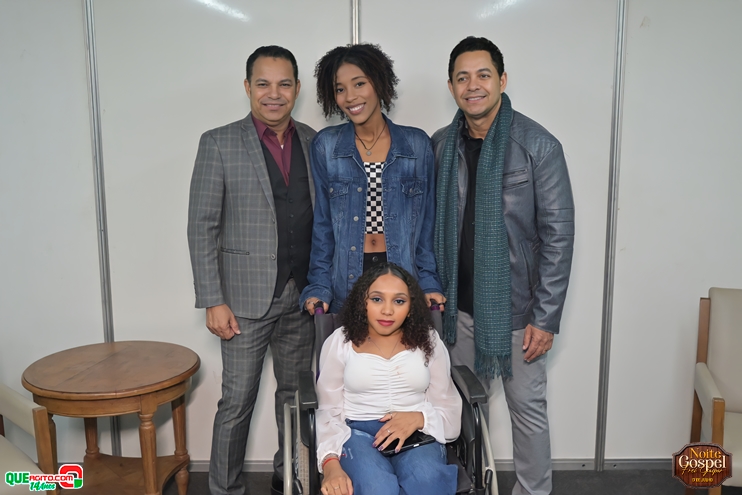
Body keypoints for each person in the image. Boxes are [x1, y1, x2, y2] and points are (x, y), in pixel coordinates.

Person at [432, 37, 575, 495]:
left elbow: (558, 237)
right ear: (451, 87)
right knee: (458, 411)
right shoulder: (441, 145)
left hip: (518, 314)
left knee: (527, 413)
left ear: (502, 80)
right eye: (462, 77)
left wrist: (545, 317)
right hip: (457, 311)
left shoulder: (538, 146)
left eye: (483, 75)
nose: (473, 85)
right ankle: (467, 485)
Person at [187, 45, 316, 495]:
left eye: (284, 84)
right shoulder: (218, 143)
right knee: (237, 400)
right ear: (247, 87)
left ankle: (291, 476)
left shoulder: (314, 141)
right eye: (263, 84)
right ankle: (224, 488)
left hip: (303, 297)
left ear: (297, 89)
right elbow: (202, 226)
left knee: (296, 398)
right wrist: (213, 299)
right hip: (242, 301)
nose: (273, 94)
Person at [300, 43, 444, 316]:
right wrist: (319, 285)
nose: (350, 97)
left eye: (359, 84)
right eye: (340, 89)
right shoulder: (326, 146)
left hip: (402, 277)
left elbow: (426, 226)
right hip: (347, 280)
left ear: (378, 82)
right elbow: (323, 226)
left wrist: (428, 282)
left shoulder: (417, 144)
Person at [316, 262, 461, 495]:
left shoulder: (429, 341)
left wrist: (419, 418)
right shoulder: (340, 342)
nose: (387, 310)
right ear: (362, 302)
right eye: (377, 299)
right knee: (377, 488)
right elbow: (327, 411)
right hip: (355, 434)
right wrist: (330, 464)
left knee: (427, 480)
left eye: (399, 301)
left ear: (411, 307)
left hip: (416, 432)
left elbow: (449, 410)